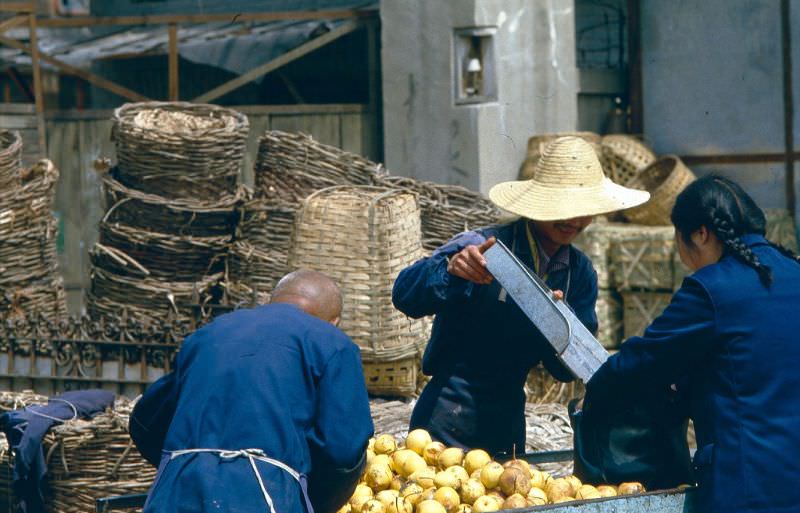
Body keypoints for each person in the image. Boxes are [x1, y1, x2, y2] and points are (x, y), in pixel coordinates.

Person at [392, 136, 649, 454]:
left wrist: (559, 325)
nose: (573, 220)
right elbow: (404, 293)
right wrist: (450, 272)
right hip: (445, 416)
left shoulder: (578, 274)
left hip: (508, 422)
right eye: (562, 209)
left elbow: (567, 371)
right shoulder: (483, 246)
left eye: (584, 211)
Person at [582, 175, 800, 513]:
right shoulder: (794, 274)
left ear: (700, 234)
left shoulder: (712, 289)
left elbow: (643, 360)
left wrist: (596, 391)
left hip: (747, 490)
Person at [129, 270, 374, 513]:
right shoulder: (333, 343)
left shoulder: (208, 334)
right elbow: (343, 451)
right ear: (335, 322)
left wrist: (186, 464)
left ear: (270, 302)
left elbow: (146, 420)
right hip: (265, 497)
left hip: (175, 496)